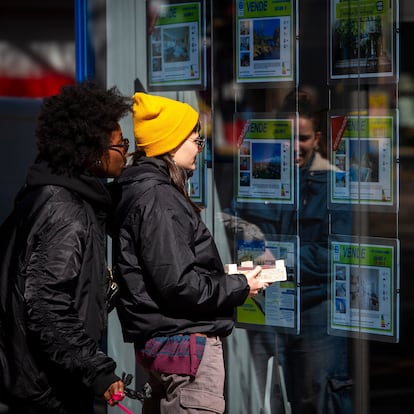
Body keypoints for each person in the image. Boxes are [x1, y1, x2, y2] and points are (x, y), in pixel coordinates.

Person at [110, 92, 268, 414]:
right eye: (196, 140)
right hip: (185, 346)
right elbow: (178, 285)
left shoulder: (149, 193)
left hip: (171, 344)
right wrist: (240, 285)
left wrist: (224, 276)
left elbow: (172, 271)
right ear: (171, 141)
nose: (199, 147)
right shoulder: (159, 199)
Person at [0, 81, 131, 414]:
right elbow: (46, 303)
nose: (125, 151)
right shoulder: (65, 209)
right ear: (92, 151)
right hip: (50, 389)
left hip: (38, 379)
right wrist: (97, 370)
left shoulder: (43, 194)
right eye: (119, 144)